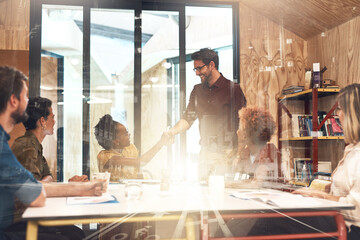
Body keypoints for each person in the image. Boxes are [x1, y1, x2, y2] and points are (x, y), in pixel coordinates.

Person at [0, 66, 103, 240]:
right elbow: (34, 194)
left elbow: (40, 183)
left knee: (75, 233)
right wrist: (78, 188)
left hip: (14, 220)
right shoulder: (23, 145)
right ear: (13, 100)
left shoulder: (13, 142)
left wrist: (67, 186)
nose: (28, 102)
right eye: (25, 96)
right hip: (13, 224)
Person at [165, 48, 246, 181]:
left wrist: (240, 154)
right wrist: (172, 132)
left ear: (212, 65)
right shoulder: (197, 91)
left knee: (223, 195)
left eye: (200, 68)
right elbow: (188, 119)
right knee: (203, 194)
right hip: (205, 152)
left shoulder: (233, 89)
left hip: (227, 153)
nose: (197, 73)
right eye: (195, 69)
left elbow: (243, 125)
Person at [293, 83, 360, 239]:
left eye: (340, 109)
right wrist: (327, 189)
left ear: (352, 114)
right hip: (337, 221)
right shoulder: (352, 149)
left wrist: (320, 196)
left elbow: (356, 209)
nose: (337, 115)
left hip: (349, 229)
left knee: (277, 223)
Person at [11, 96, 88, 183]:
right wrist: (71, 185)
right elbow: (33, 187)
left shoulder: (34, 144)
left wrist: (45, 181)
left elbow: (49, 176)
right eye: (52, 117)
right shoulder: (27, 145)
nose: (54, 122)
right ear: (42, 121)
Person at [95, 114, 168, 181]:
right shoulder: (105, 156)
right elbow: (140, 162)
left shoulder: (130, 148)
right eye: (125, 134)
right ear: (116, 141)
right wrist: (161, 143)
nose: (129, 135)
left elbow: (138, 171)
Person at [232, 107, 279, 184]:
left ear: (246, 133)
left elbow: (258, 183)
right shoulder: (245, 152)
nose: (237, 132)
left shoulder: (270, 151)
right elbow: (235, 174)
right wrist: (240, 148)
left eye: (240, 128)